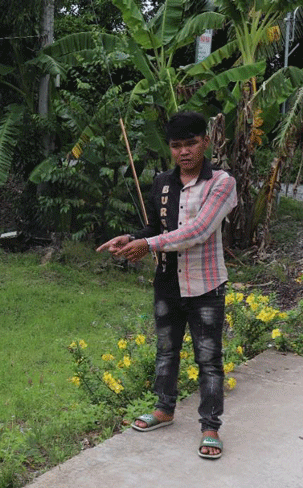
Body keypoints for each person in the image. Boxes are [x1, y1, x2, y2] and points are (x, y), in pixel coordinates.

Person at [96, 111, 237, 460]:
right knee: (166, 352)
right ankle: (164, 409)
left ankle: (210, 427)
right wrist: (130, 237)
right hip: (167, 283)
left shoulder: (221, 182)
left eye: (191, 143)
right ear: (170, 149)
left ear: (205, 141)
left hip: (206, 285)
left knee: (208, 359)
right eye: (176, 146)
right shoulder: (162, 182)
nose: (184, 152)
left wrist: (148, 245)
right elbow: (156, 228)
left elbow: (199, 231)